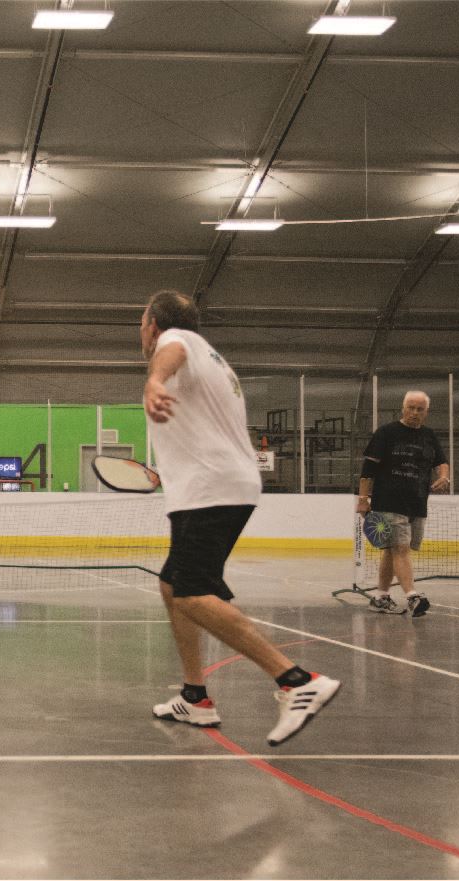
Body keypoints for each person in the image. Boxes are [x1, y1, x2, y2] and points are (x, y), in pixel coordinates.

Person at [139, 290, 340, 747]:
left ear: (153, 323)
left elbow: (168, 354)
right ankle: (195, 696)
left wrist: (154, 382)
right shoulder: (213, 359)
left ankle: (295, 680)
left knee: (191, 593)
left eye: (142, 321)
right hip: (209, 488)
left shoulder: (176, 342)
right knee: (174, 584)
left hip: (212, 489)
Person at [357, 390, 450, 618]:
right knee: (401, 549)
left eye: (420, 409)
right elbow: (368, 470)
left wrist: (444, 477)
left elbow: (441, 461)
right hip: (388, 500)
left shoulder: (429, 436)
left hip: (417, 503)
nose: (414, 413)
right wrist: (362, 499)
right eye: (411, 407)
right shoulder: (386, 433)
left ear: (426, 412)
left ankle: (380, 596)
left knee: (390, 551)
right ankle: (412, 596)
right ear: (403, 408)